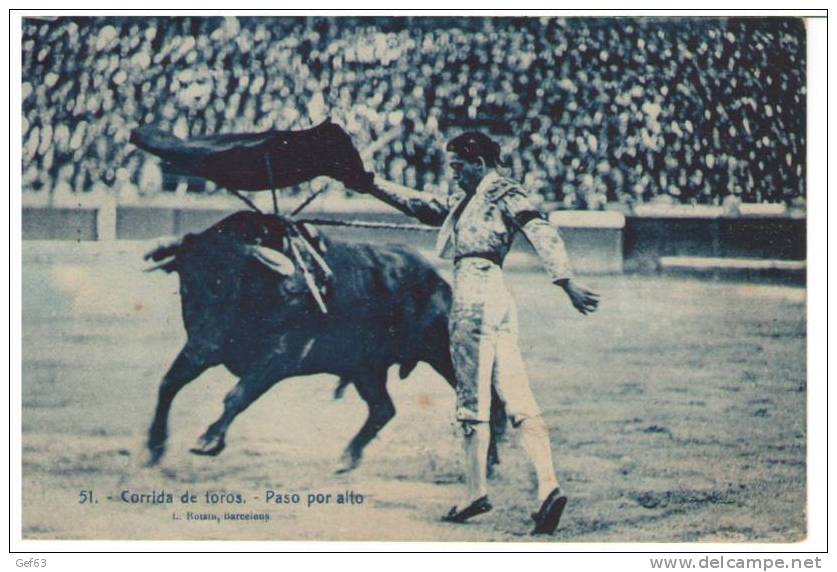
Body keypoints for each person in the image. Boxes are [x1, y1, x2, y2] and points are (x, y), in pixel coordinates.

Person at [366, 132, 599, 535]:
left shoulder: (500, 192)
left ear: (478, 161)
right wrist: (372, 185)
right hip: (499, 298)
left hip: (474, 295)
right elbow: (425, 206)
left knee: (472, 397)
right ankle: (547, 486)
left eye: (458, 166)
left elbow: (542, 232)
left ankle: (475, 491)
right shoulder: (475, 197)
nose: (454, 175)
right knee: (517, 394)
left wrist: (566, 281)